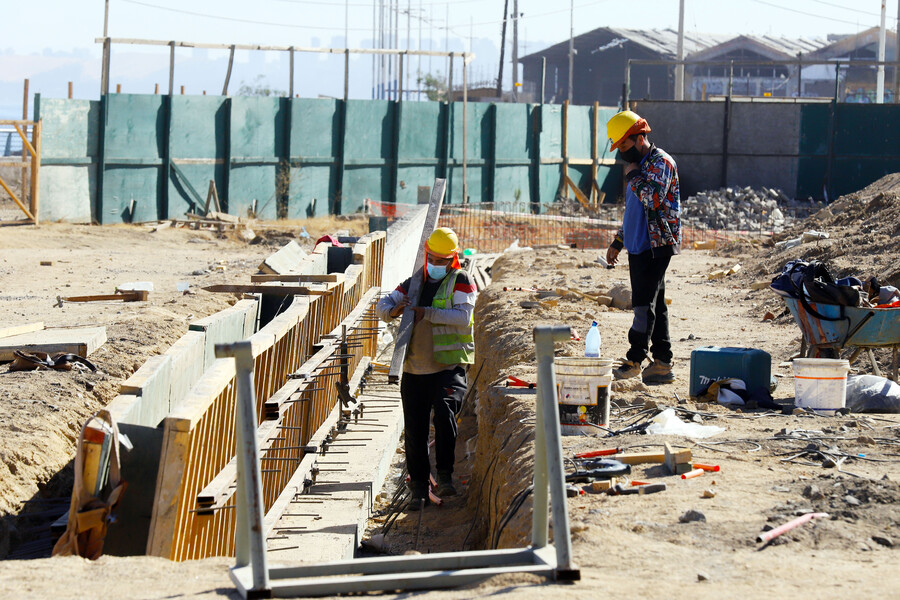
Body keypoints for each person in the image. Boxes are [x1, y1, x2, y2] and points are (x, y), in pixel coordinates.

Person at [376, 227, 476, 510]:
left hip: (448, 365)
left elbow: (464, 317)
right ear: (426, 254)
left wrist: (426, 313)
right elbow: (383, 306)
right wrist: (394, 310)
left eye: (442, 259)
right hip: (415, 369)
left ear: (452, 259)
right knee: (415, 431)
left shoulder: (461, 281)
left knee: (445, 416)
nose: (436, 263)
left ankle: (445, 476)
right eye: (432, 257)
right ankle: (418, 487)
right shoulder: (413, 283)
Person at [604, 110, 681, 385]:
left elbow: (654, 199)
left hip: (657, 244)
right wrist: (619, 240)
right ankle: (662, 362)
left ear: (639, 138)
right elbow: (634, 211)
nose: (622, 152)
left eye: (624, 145)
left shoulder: (662, 163)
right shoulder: (636, 169)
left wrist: (634, 176)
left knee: (642, 303)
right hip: (637, 244)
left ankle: (634, 359)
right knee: (656, 303)